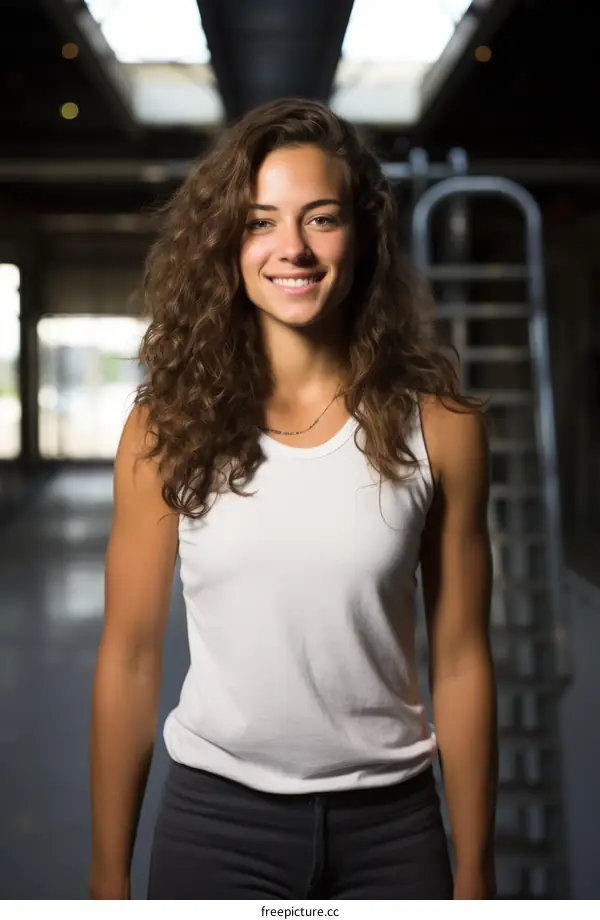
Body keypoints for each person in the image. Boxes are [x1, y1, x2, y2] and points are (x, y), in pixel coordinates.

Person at [90, 98, 497, 900]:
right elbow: (130, 661)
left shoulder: (441, 429)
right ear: (228, 244)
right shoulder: (163, 430)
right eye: (261, 222)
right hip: (217, 830)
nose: (293, 249)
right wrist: (107, 878)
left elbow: (460, 662)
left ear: (363, 235)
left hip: (393, 832)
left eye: (321, 219)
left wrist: (476, 872)